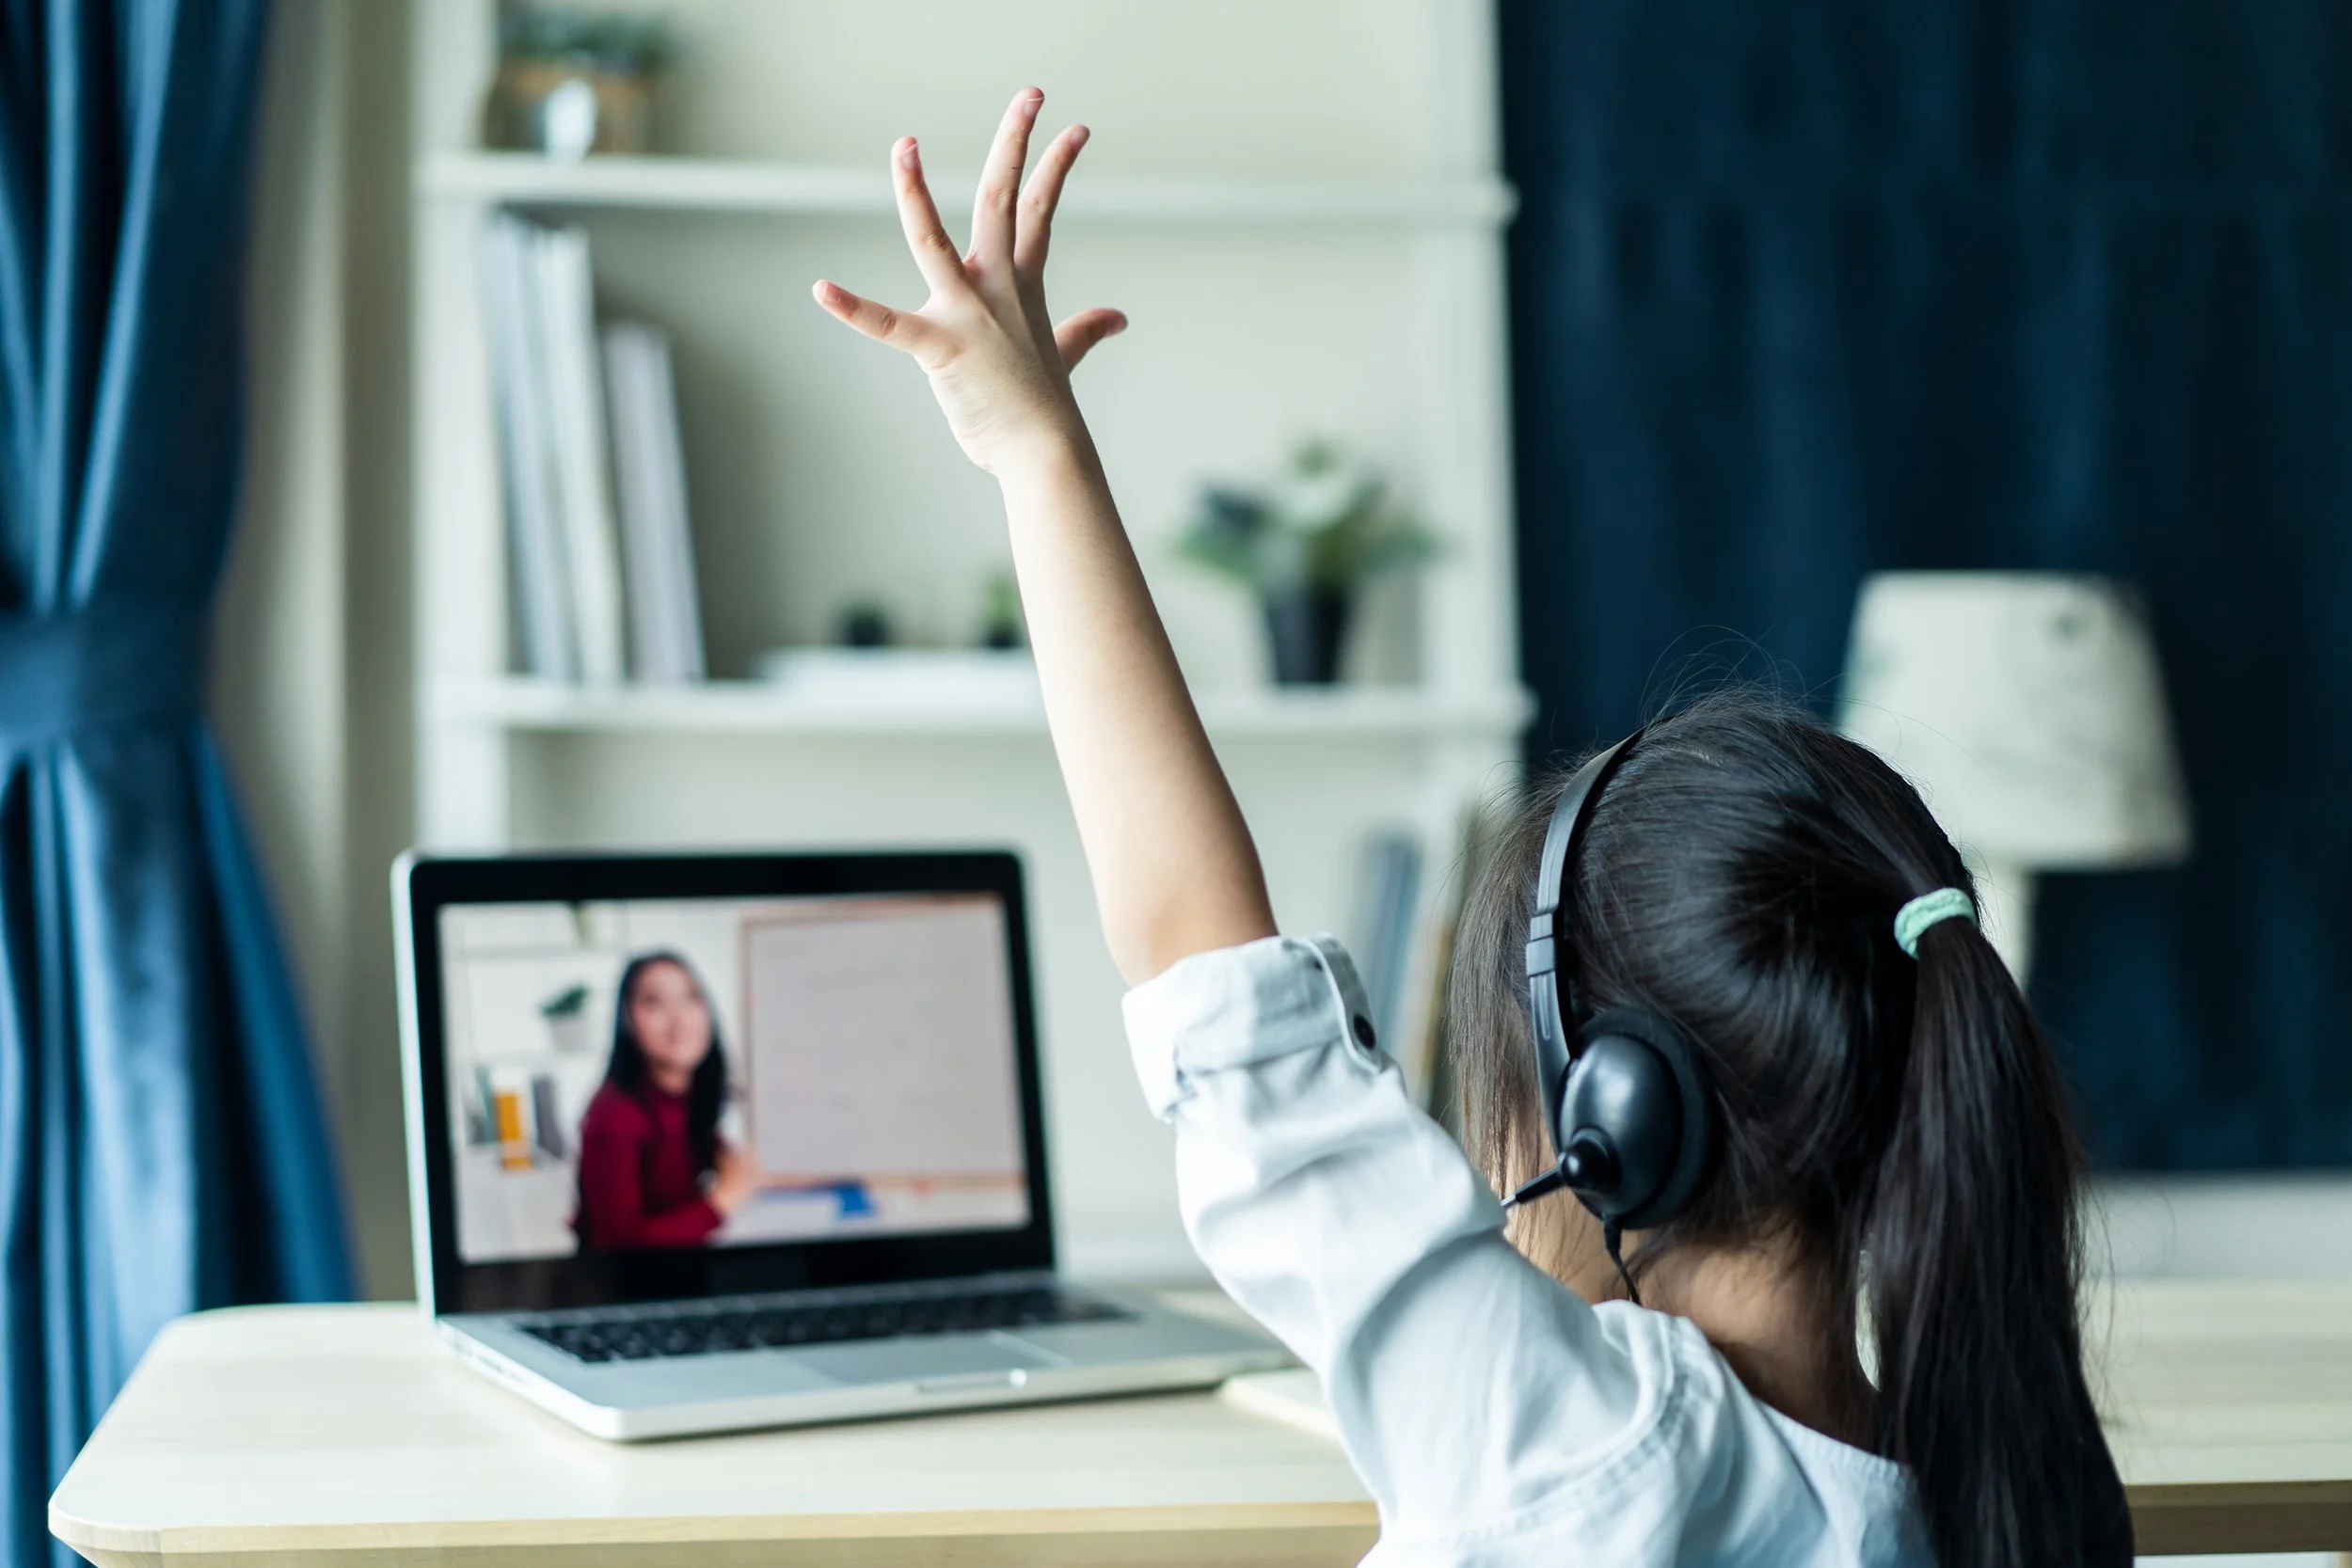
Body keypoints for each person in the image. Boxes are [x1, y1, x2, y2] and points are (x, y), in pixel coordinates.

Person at [811, 89, 2133, 1567]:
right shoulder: (1993, 1489)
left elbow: (1206, 960)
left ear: (1611, 1121)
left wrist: (1035, 457)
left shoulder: (1583, 1438)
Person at [573, 952, 757, 1250]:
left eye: (691, 998)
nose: (679, 1018)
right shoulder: (614, 1115)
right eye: (654, 1002)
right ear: (628, 1020)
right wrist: (720, 1202)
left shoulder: (689, 1093)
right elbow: (619, 1248)